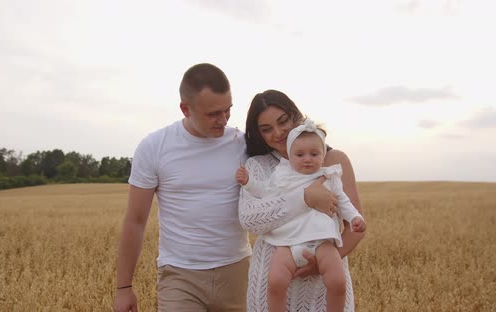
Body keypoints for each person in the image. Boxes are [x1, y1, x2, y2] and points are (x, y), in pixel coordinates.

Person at [113, 63, 251, 312]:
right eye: (213, 114)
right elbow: (135, 220)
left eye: (228, 111)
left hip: (238, 272)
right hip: (180, 276)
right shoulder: (154, 147)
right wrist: (124, 288)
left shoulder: (242, 144)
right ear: (185, 109)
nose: (223, 120)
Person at [238, 89, 366, 312]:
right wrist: (305, 198)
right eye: (266, 129)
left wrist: (319, 264)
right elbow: (250, 220)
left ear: (295, 115)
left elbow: (355, 227)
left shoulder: (334, 161)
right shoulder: (257, 166)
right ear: (259, 135)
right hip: (270, 283)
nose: (277, 133)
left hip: (323, 287)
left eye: (283, 121)